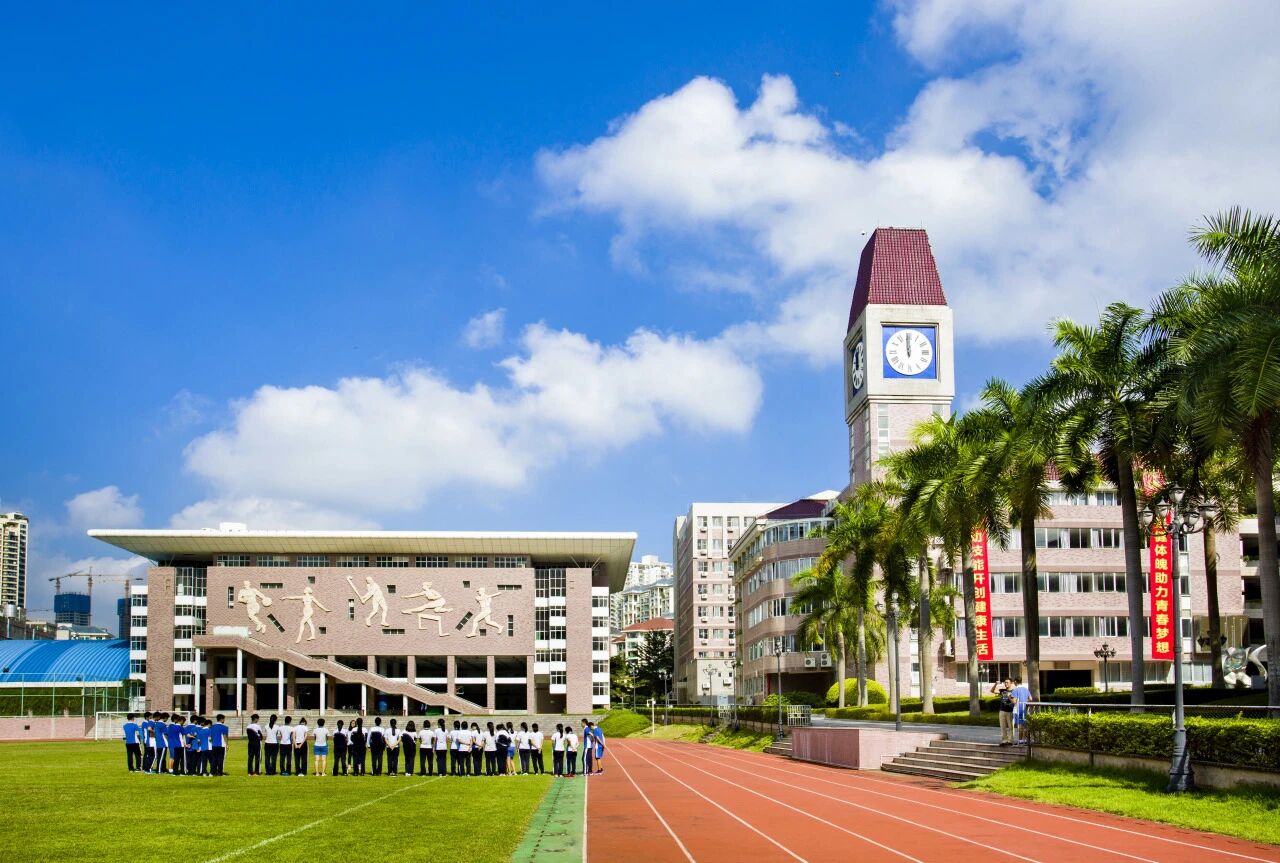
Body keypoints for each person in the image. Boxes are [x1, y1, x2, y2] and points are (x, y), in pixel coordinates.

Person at [992, 677, 1016, 746]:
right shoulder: (1003, 691)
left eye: (1007, 682)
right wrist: (995, 684)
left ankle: (1010, 741)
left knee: (1010, 727)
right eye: (1005, 682)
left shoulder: (1014, 691)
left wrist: (1009, 697)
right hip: (1002, 711)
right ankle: (1004, 741)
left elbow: (1014, 702)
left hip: (1010, 711)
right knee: (1003, 727)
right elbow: (992, 691)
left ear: (1011, 683)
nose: (1006, 684)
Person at [1011, 677, 1033, 745]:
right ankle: (1025, 739)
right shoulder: (1026, 689)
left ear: (1015, 681)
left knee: (1020, 726)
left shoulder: (1015, 690)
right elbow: (1030, 698)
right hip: (1025, 708)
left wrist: (1009, 698)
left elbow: (1014, 701)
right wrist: (1025, 701)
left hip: (1018, 709)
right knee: (1025, 725)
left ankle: (1020, 740)